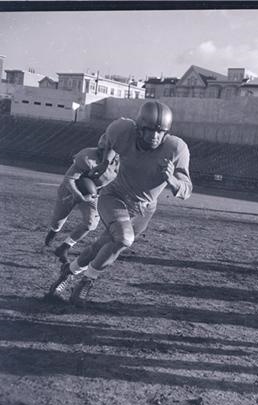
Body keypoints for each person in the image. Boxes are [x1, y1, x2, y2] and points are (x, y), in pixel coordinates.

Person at [47, 100, 193, 304]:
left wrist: (173, 180)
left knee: (104, 245)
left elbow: (187, 189)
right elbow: (108, 142)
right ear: (138, 127)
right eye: (149, 130)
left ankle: (69, 273)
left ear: (167, 132)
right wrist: (107, 160)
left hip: (144, 209)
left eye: (160, 132)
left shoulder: (176, 148)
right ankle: (87, 281)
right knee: (124, 238)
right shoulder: (122, 130)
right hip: (115, 197)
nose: (154, 136)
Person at [44, 137, 120, 263]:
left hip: (93, 193)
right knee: (58, 220)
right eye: (103, 150)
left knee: (90, 223)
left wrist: (94, 195)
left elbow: (111, 184)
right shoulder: (87, 156)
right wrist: (78, 195)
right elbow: (69, 179)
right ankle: (53, 232)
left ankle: (64, 247)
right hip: (70, 190)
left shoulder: (119, 164)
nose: (106, 153)